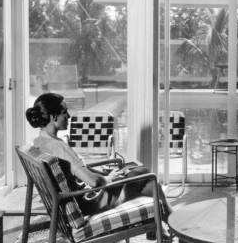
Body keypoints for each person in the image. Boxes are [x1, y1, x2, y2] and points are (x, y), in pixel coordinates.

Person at [25, 92, 172, 224]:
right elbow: (93, 181)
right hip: (90, 204)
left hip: (73, 201)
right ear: (53, 117)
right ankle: (172, 225)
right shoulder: (59, 148)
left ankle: (157, 228)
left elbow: (78, 172)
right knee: (145, 174)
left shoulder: (39, 143)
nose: (69, 116)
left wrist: (107, 175)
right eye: (65, 112)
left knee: (140, 179)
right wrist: (109, 179)